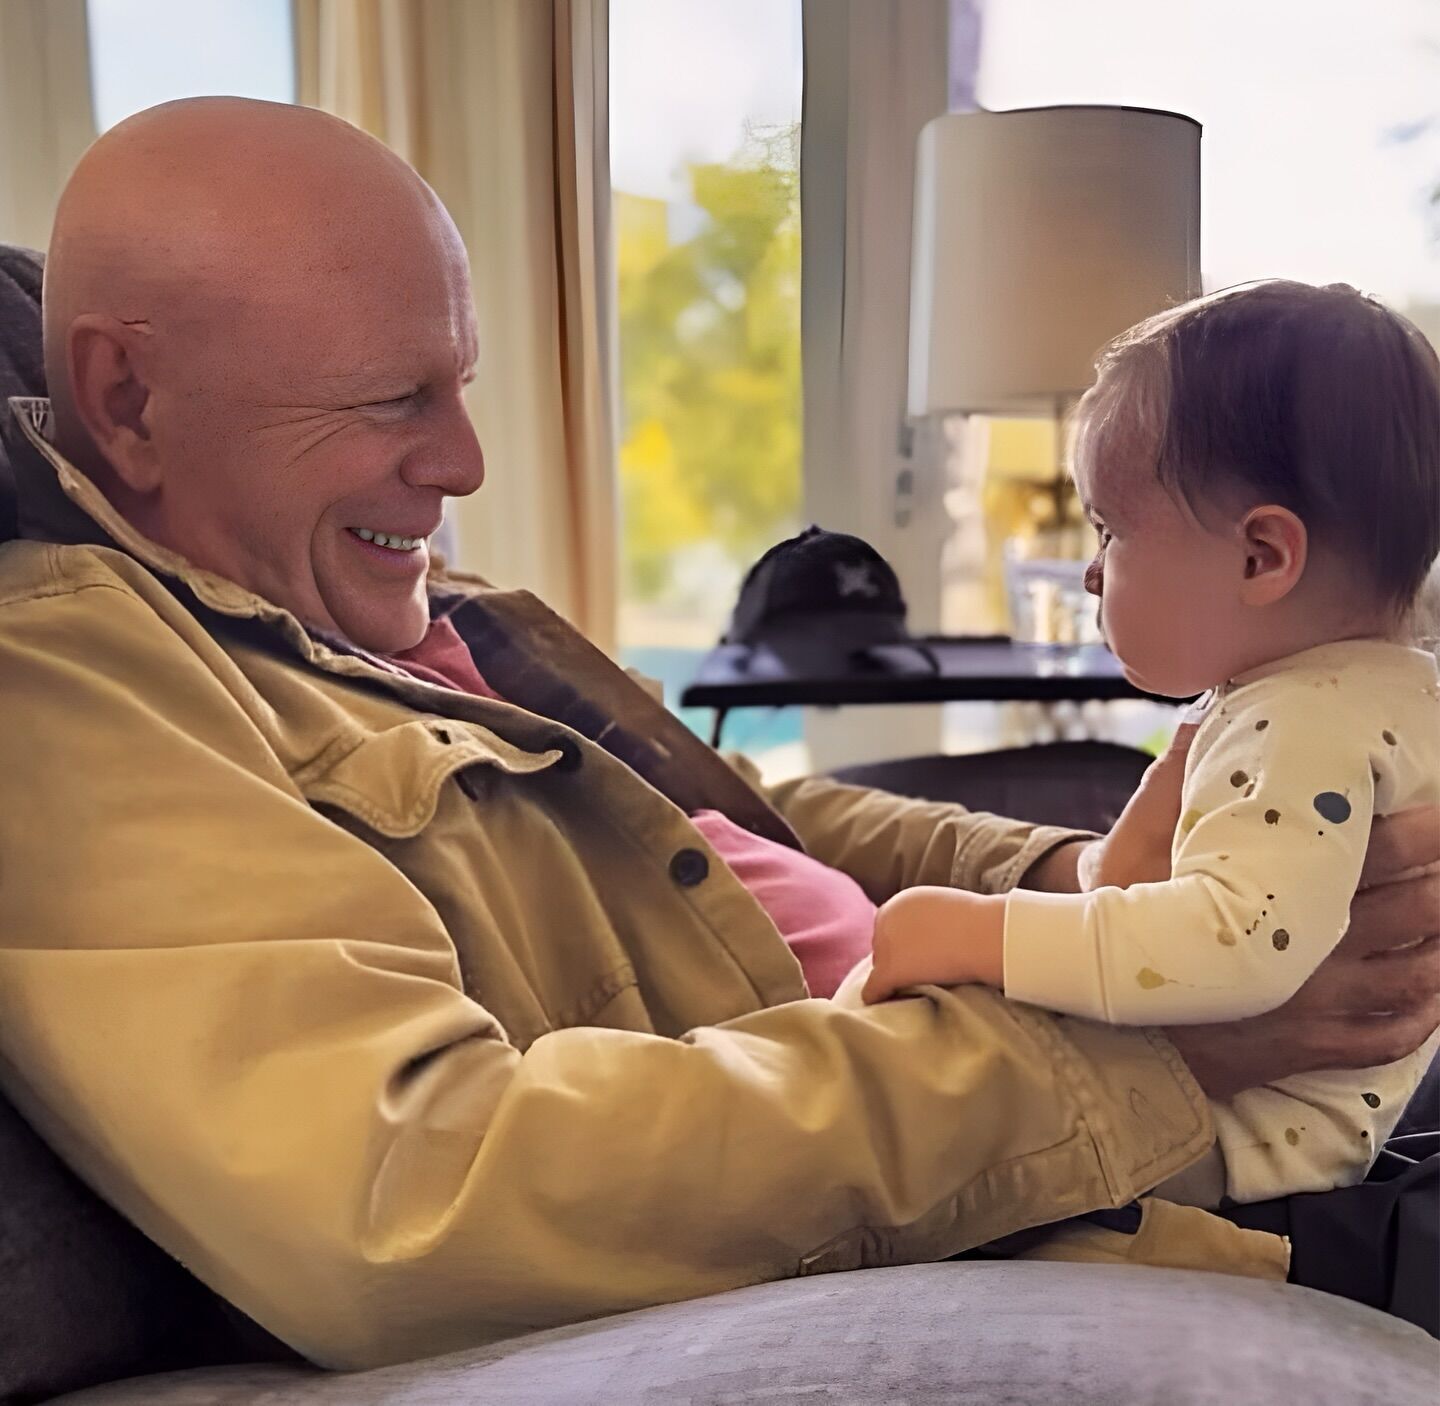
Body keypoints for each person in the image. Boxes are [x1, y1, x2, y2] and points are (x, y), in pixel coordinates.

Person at [0, 98, 1436, 1373]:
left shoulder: (415, 602)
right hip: (1099, 1164)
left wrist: (1083, 895)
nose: (466, 463)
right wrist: (1148, 1051)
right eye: (395, 400)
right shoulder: (81, 695)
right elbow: (411, 1192)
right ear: (130, 398)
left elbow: (760, 823)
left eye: (461, 383)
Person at [862, 281, 1440, 1211]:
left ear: (1262, 558)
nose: (1090, 570)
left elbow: (1238, 942)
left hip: (1233, 1149)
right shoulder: (1385, 689)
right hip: (1258, 1123)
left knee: (927, 1123)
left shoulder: (1301, 724)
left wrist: (982, 932)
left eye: (1112, 529)